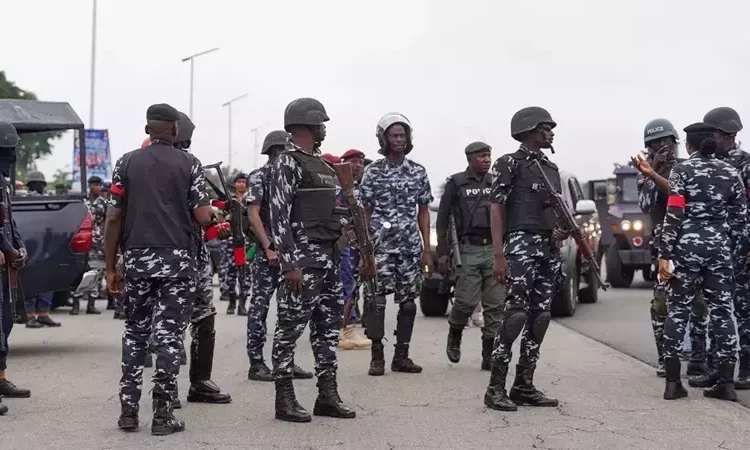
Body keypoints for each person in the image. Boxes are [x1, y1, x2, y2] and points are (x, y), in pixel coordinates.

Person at [105, 103, 214, 435]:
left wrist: (111, 267)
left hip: (137, 262)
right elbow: (203, 216)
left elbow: (113, 218)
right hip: (177, 265)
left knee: (135, 333)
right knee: (168, 338)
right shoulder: (190, 164)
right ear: (176, 130)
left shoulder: (126, 163)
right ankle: (163, 416)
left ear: (147, 129)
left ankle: (128, 412)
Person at [269, 97, 355, 422]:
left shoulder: (322, 165)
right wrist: (290, 264)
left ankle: (327, 395)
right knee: (289, 330)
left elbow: (330, 209)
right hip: (302, 263)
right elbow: (278, 216)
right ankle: (284, 398)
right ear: (309, 125)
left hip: (328, 258)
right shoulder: (287, 163)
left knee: (327, 329)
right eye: (321, 124)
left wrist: (349, 222)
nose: (324, 130)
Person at [484, 107, 568, 412]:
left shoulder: (551, 168)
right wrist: (498, 254)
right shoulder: (509, 164)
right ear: (531, 130)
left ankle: (524, 385)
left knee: (540, 317)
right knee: (515, 315)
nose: (552, 133)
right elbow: (496, 208)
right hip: (520, 244)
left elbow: (553, 211)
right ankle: (495, 388)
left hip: (547, 248)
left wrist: (559, 233)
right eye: (547, 128)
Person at [656, 122, 744, 402]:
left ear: (689, 144)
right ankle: (726, 384)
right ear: (715, 143)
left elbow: (674, 213)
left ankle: (673, 384)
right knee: (723, 310)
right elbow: (741, 222)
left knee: (678, 309)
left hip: (686, 248)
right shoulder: (731, 172)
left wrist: (665, 254)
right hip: (719, 249)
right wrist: (735, 254)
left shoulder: (681, 171)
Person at [632, 118, 708, 379]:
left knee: (699, 303)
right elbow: (645, 205)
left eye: (668, 142)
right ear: (649, 148)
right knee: (662, 305)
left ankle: (698, 359)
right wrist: (652, 171)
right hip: (663, 246)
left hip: (692, 243)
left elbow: (688, 200)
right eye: (657, 144)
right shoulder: (645, 171)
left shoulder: (688, 169)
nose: (664, 148)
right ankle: (666, 359)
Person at [359, 112, 433, 376]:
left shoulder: (418, 172)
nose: (399, 140)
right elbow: (364, 212)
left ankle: (402, 355)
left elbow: (423, 211)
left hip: (410, 247)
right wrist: (364, 251)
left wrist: (426, 249)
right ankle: (376, 356)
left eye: (402, 135)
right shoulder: (372, 172)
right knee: (376, 301)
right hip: (380, 247)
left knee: (409, 303)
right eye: (393, 135)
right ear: (384, 139)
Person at [171, 111, 231, 406]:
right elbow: (203, 214)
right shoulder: (183, 165)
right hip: (179, 257)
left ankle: (192, 385)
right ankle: (188, 385)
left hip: (181, 256)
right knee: (188, 318)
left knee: (195, 317)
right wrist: (216, 214)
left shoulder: (140, 163)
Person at [245, 130, 313, 381]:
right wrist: (268, 247)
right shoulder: (259, 176)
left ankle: (286, 361)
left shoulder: (292, 176)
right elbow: (253, 214)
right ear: (275, 151)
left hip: (291, 253)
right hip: (268, 254)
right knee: (259, 307)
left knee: (291, 310)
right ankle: (256, 363)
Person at [440, 141, 504, 370]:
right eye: (481, 156)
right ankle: (455, 331)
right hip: (467, 249)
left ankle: (489, 355)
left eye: (488, 155)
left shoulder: (497, 182)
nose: (487, 159)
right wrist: (442, 252)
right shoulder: (456, 183)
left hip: (494, 249)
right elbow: (443, 218)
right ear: (470, 159)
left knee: (495, 305)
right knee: (465, 302)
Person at [700, 107, 750, 391]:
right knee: (716, 308)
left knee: (742, 309)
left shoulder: (745, 164)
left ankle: (746, 367)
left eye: (713, 133)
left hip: (740, 246)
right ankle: (717, 369)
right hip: (714, 246)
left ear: (725, 134)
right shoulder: (708, 162)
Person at [0, 121, 31, 415]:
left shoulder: (3, 182)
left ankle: (1, 378)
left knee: (5, 321)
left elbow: (9, 221)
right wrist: (8, 250)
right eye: (7, 150)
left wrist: (18, 247)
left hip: (5, 263)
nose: (11, 156)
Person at [336, 148, 371, 350]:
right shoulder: (337, 185)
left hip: (354, 244)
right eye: (354, 161)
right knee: (345, 285)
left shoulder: (357, 186)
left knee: (350, 285)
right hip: (341, 243)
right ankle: (347, 332)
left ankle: (344, 329)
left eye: (361, 162)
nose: (358, 165)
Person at [20, 171, 61, 328]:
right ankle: (30, 316)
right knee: (32, 282)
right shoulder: (27, 201)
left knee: (46, 281)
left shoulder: (48, 200)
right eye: (35, 184)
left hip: (44, 246)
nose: (38, 187)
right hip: (31, 245)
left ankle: (43, 314)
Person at [72, 175, 106, 316]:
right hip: (82, 240)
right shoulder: (82, 202)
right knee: (79, 272)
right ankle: (75, 304)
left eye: (99, 185)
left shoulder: (104, 203)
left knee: (96, 272)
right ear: (89, 186)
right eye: (94, 185)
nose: (97, 187)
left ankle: (91, 304)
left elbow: (108, 221)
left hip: (98, 241)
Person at [221, 172, 250, 316]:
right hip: (231, 241)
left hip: (247, 242)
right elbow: (221, 216)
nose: (241, 184)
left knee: (245, 275)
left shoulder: (251, 199)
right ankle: (232, 302)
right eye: (238, 181)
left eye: (244, 182)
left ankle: (242, 305)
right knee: (231, 275)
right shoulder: (229, 200)